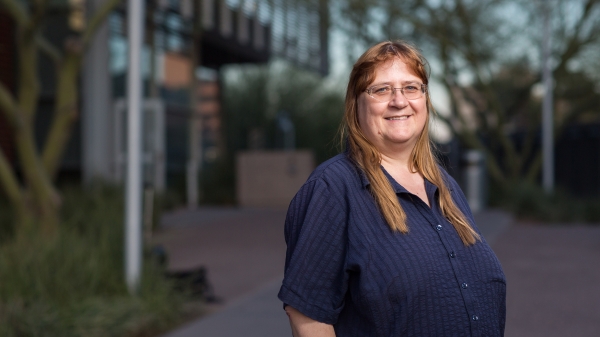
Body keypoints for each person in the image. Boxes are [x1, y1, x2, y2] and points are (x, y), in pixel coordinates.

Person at [277, 40, 506, 337]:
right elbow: (308, 317)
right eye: (381, 89)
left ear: (425, 99)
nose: (399, 101)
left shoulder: (444, 185)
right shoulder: (333, 189)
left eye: (411, 88)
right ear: (356, 103)